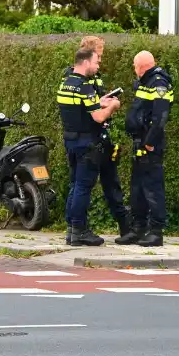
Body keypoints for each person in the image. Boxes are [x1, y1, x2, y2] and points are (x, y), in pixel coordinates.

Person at [56, 47, 127, 247]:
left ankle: (71, 229)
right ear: (86, 62)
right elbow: (98, 116)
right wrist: (112, 106)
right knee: (83, 187)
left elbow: (80, 107)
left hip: (71, 140)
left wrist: (100, 101)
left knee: (75, 185)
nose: (98, 66)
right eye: (96, 62)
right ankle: (80, 230)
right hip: (87, 143)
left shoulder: (66, 84)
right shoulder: (85, 86)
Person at [123, 50, 173, 247]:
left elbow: (160, 117)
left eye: (135, 66)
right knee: (137, 188)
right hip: (140, 141)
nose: (134, 70)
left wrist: (150, 141)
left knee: (153, 188)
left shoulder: (159, 82)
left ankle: (156, 231)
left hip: (151, 143)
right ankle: (138, 228)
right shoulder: (145, 81)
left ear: (141, 66)